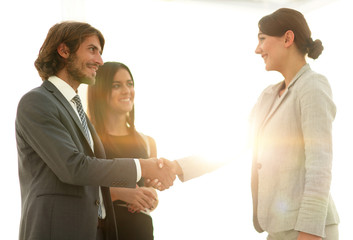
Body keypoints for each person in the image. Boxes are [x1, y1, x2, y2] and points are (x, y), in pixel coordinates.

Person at [15, 21, 175, 240]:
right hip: (58, 231)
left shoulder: (76, 108)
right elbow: (74, 167)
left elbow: (93, 180)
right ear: (64, 50)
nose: (100, 61)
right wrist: (142, 167)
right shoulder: (37, 102)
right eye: (92, 50)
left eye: (100, 53)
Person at [251, 8, 339, 240]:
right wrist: (178, 167)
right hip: (278, 230)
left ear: (288, 38)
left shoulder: (313, 86)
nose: (257, 49)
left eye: (262, 39)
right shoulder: (268, 96)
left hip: (307, 231)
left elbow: (320, 165)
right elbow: (234, 145)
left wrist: (309, 232)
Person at [87, 61, 159, 240]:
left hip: (140, 232)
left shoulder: (147, 142)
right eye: (116, 86)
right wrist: (122, 193)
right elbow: (81, 192)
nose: (127, 91)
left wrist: (150, 198)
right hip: (102, 231)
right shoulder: (88, 140)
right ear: (101, 91)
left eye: (130, 84)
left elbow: (151, 192)